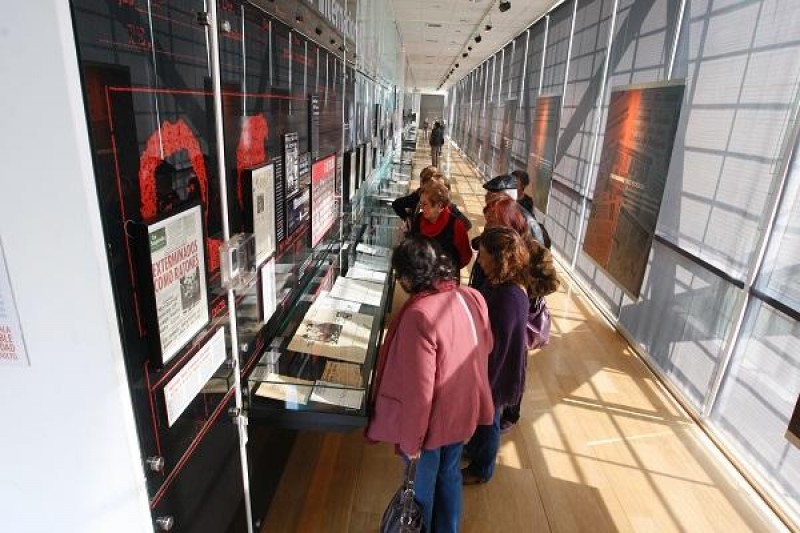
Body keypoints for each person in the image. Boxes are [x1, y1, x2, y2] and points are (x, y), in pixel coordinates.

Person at [366, 236, 495, 532]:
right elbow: (486, 346)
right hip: (465, 408)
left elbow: (419, 390)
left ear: (411, 277)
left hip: (434, 421)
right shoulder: (469, 296)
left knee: (420, 489)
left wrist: (412, 442)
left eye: (400, 275)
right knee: (450, 475)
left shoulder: (419, 316)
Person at [462, 227, 531, 485]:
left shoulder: (507, 298)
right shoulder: (505, 285)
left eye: (484, 255)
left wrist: (484, 382)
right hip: (496, 368)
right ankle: (476, 450)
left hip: (497, 371)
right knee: (485, 419)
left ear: (499, 258)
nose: (479, 260)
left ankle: (482, 469)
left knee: (489, 420)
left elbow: (498, 346)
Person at [408, 180, 473, 272]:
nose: (421, 207)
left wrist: (449, 270)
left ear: (439, 205)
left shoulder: (455, 225)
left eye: (425, 204)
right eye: (421, 203)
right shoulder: (419, 219)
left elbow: (465, 257)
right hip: (422, 276)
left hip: (445, 279)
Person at [392, 168, 472, 232]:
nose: (421, 186)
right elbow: (397, 204)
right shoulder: (417, 196)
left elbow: (467, 225)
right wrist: (406, 217)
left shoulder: (448, 208)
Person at [483, 174, 548, 247]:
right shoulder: (494, 213)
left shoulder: (528, 222)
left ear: (507, 197)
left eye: (492, 194)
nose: (486, 196)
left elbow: (539, 251)